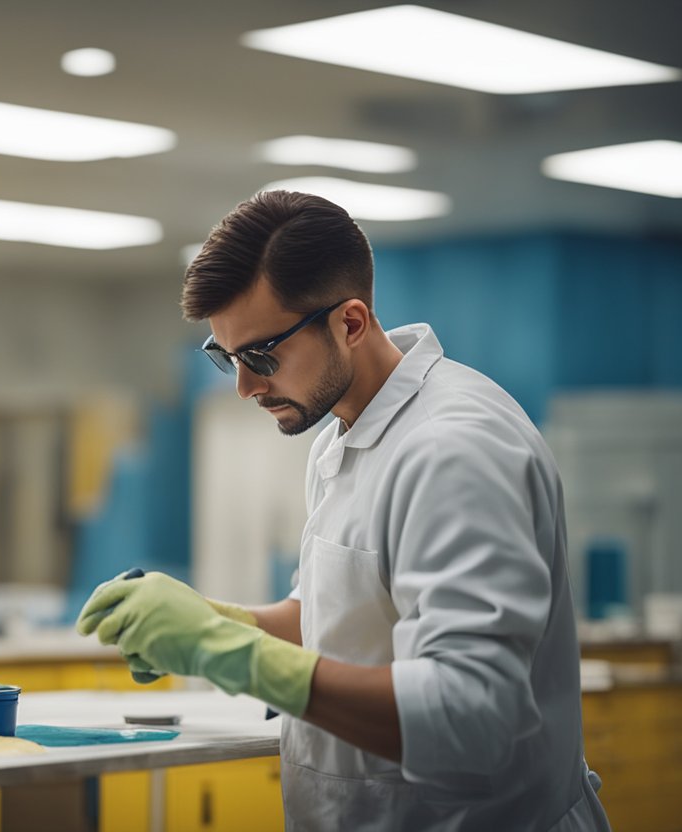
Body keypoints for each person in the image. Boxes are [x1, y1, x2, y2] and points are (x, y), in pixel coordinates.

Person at [76, 191, 609, 830]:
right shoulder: (341, 434)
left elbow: (473, 716)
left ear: (350, 323)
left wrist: (230, 655)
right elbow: (332, 620)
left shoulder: (452, 451)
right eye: (226, 357)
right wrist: (215, 623)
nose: (243, 386)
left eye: (261, 355)